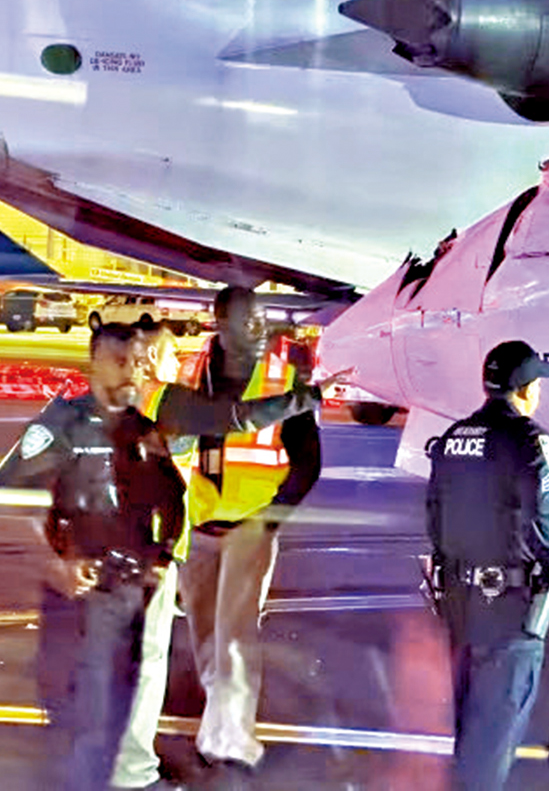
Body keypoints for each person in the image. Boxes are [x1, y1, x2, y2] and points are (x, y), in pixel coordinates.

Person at [0, 322, 322, 791]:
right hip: (83, 574)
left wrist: (164, 555)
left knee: (140, 672)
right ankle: (104, 772)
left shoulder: (146, 426)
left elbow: (182, 479)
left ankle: (127, 772)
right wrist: (57, 561)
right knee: (87, 677)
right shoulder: (61, 423)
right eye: (121, 361)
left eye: (138, 361)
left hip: (138, 571)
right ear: (95, 363)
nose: (133, 371)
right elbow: (14, 499)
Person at [176, 286, 326, 784]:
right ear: (220, 322)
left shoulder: (283, 379)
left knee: (235, 637)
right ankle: (218, 728)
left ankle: (232, 742)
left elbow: (308, 464)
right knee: (206, 636)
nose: (259, 329)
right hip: (199, 523)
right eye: (247, 320)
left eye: (261, 319)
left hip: (250, 523)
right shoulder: (189, 374)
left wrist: (270, 519)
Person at [426, 339, 549, 791]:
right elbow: (542, 512)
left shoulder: (454, 437)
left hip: (460, 599)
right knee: (494, 733)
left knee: (470, 725)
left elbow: (434, 513)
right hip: (509, 606)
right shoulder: (529, 439)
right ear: (526, 390)